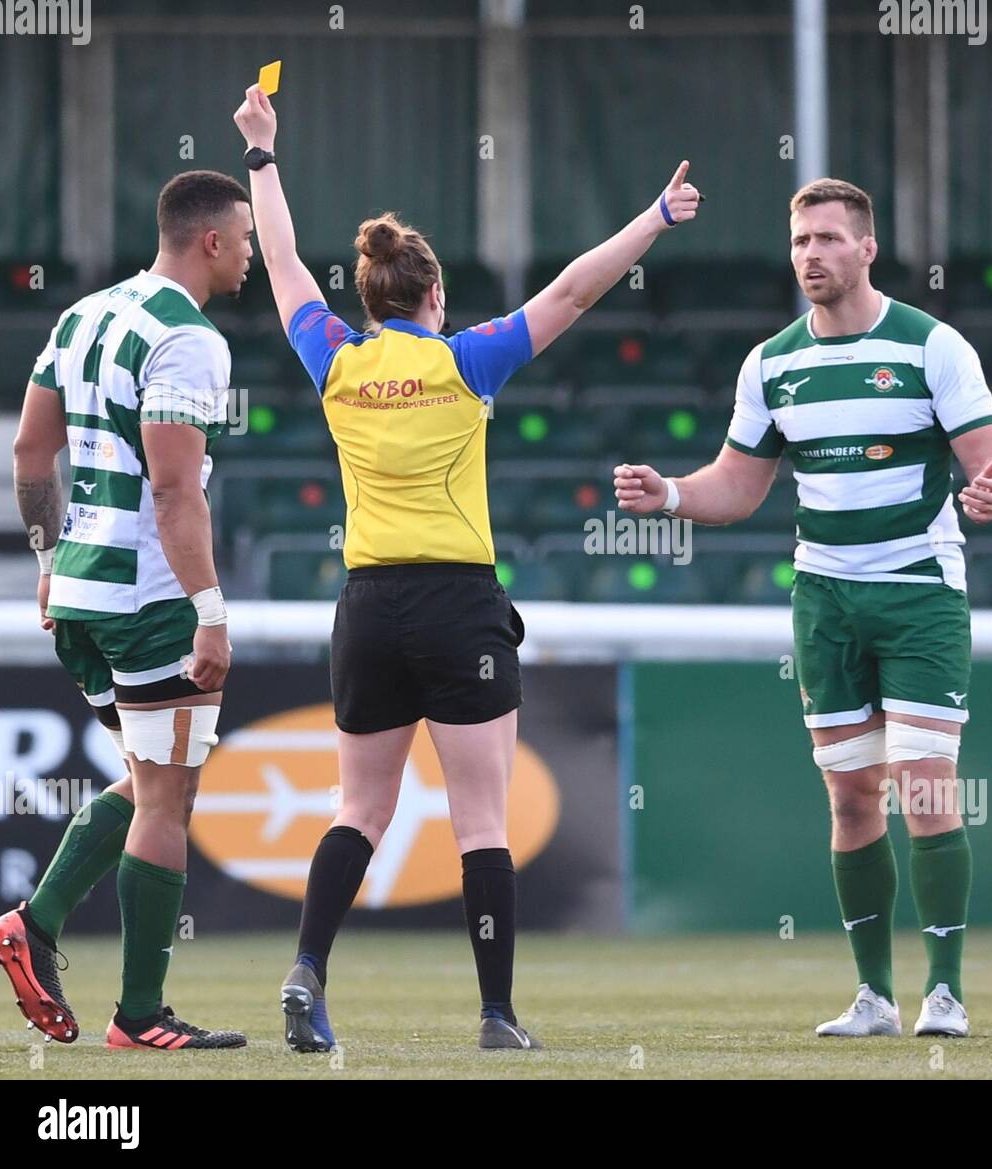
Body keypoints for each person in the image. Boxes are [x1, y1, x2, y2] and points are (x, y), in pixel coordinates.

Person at [230, 83, 700, 1051]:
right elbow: (571, 290)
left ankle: (307, 967)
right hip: (456, 603)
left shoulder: (335, 359)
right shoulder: (466, 360)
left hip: (364, 604)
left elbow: (277, 261)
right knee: (483, 819)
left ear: (366, 296)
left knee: (357, 807)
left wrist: (263, 153)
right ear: (434, 296)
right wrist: (652, 218)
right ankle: (495, 1015)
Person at [615, 179, 992, 1039]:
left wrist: (991, 492)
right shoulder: (772, 363)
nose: (812, 254)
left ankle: (943, 989)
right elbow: (738, 485)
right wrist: (672, 496)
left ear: (868, 248)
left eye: (830, 239)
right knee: (850, 800)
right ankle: (874, 996)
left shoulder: (931, 346)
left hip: (918, 592)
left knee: (926, 785)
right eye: (801, 240)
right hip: (824, 599)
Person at [0, 170, 253, 1050]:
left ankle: (36, 921)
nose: (251, 254)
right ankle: (137, 1015)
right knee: (169, 797)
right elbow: (177, 494)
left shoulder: (83, 316)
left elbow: (31, 452)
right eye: (245, 238)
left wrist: (43, 556)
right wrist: (210, 611)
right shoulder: (189, 338)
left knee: (152, 782)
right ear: (210, 240)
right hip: (149, 597)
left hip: (77, 592)